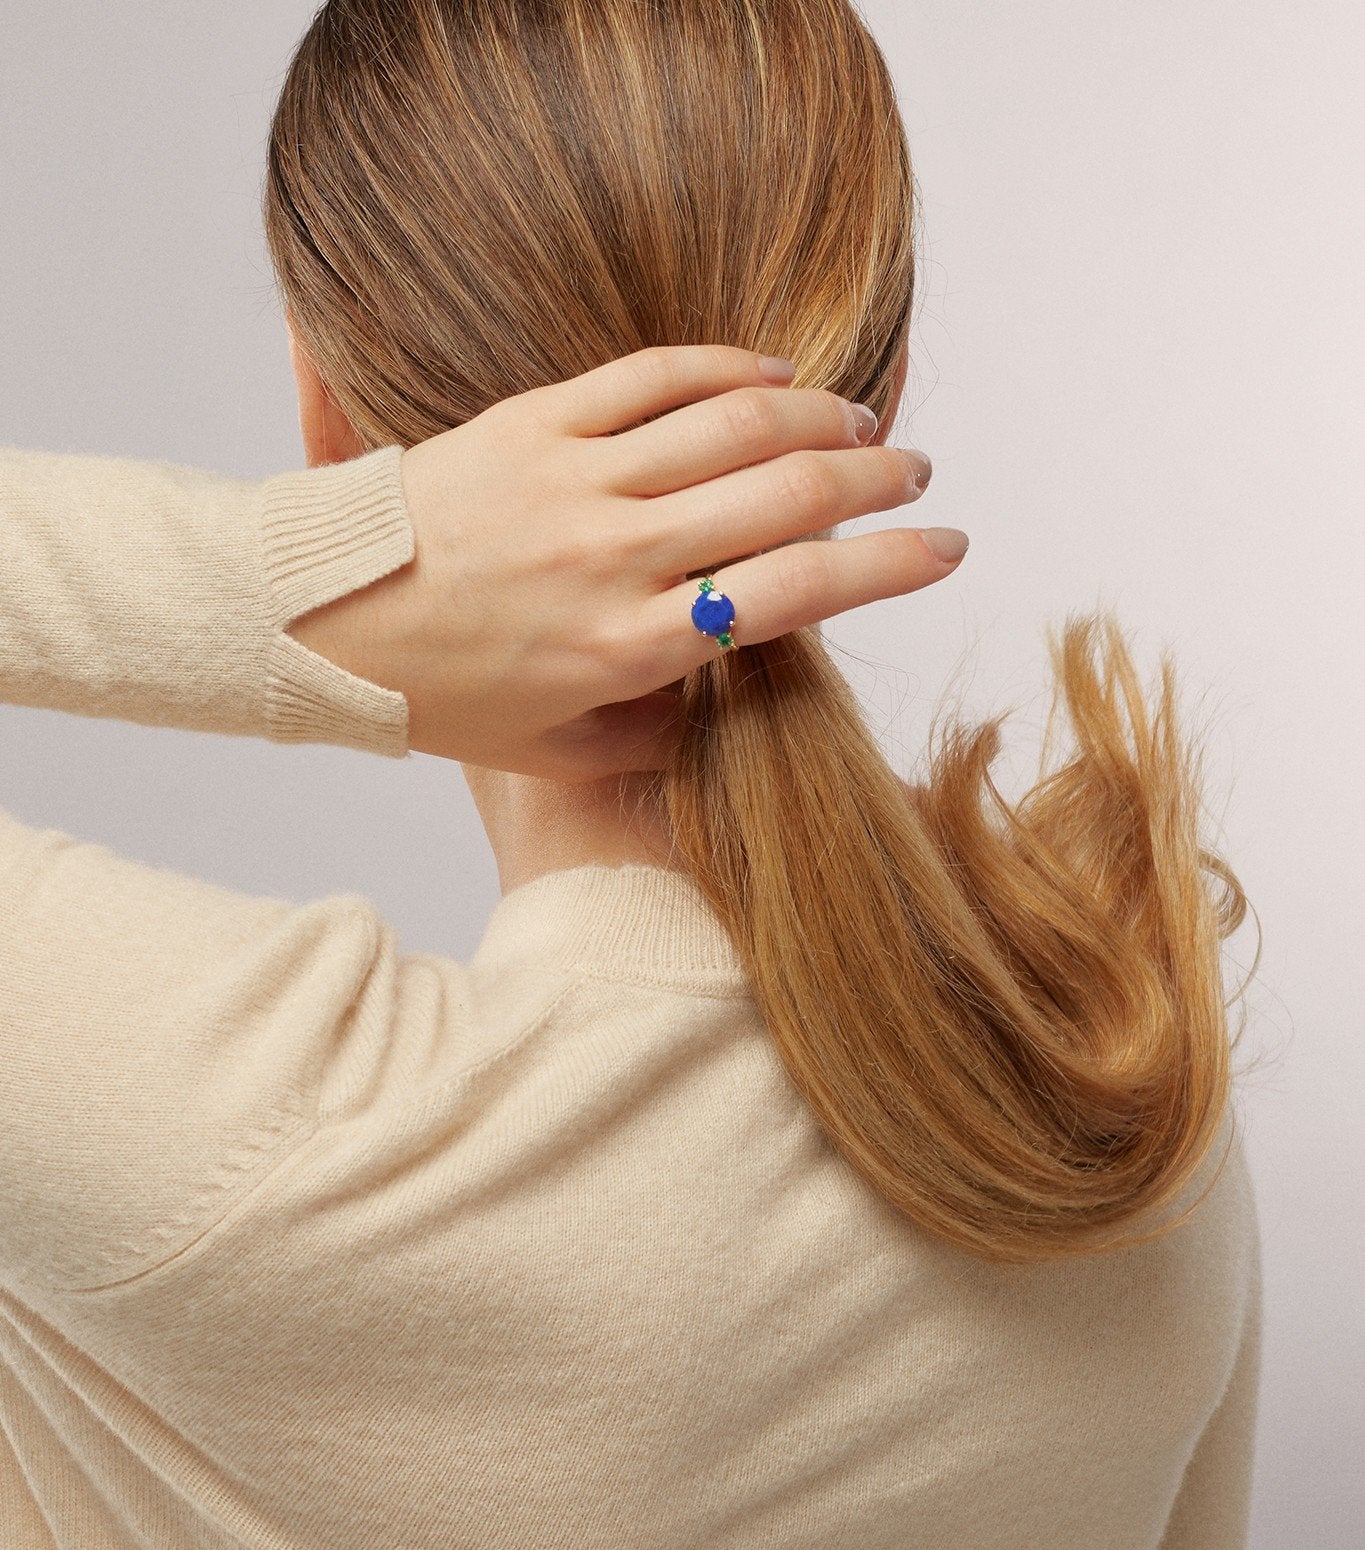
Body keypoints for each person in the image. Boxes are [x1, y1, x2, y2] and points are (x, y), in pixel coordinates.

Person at [0, 3, 1262, 1548]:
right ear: (883, 373)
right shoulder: (1126, 1076)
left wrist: (299, 578)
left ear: (326, 419)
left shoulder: (240, 1140)